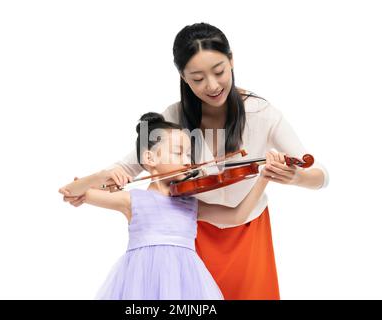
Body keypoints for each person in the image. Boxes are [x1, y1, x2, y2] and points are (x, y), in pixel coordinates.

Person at [60, 23, 329, 300]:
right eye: (198, 78)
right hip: (189, 232)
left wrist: (292, 176)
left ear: (232, 60)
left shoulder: (261, 112)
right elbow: (130, 165)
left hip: (249, 227)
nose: (212, 86)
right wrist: (101, 179)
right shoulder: (174, 118)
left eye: (220, 71)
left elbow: (320, 175)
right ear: (182, 76)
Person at [61, 112, 277, 299]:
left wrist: (263, 179)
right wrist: (102, 175)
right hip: (140, 279)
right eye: (178, 152)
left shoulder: (190, 204)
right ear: (150, 158)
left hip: (186, 281)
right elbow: (71, 191)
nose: (187, 160)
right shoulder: (132, 200)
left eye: (188, 154)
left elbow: (237, 217)